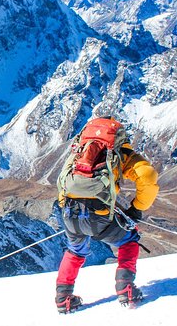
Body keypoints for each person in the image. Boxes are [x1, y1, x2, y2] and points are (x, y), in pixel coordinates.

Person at [55, 116, 159, 313]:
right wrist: (136, 208)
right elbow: (148, 175)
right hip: (99, 216)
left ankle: (63, 298)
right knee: (129, 240)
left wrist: (63, 206)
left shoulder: (79, 152)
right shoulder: (119, 153)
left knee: (75, 251)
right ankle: (125, 288)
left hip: (70, 213)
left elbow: (62, 180)